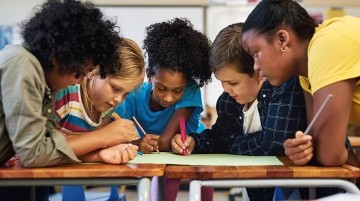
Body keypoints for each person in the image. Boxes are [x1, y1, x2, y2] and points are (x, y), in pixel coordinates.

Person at [171, 22, 307, 201]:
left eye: (233, 83)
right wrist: (193, 142)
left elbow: (272, 143)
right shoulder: (228, 101)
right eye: (222, 82)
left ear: (259, 70)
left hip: (303, 189)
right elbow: (219, 137)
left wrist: (227, 143)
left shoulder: (283, 87)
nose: (226, 90)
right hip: (261, 192)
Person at [0, 0, 121, 200]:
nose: (78, 82)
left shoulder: (45, 78)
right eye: (80, 73)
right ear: (59, 58)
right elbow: (34, 153)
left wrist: (98, 155)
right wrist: (104, 136)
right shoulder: (23, 66)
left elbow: (46, 142)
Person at [241, 0, 360, 168]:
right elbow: (317, 144)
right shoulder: (306, 74)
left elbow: (329, 154)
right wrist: (302, 149)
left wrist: (323, 149)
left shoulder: (328, 43)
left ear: (282, 39)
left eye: (255, 53)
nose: (256, 66)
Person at [114, 18, 212, 201]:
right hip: (154, 157)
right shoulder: (132, 95)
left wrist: (137, 143)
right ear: (149, 76)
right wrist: (136, 143)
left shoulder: (191, 90)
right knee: (160, 181)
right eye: (161, 88)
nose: (169, 98)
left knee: (203, 179)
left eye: (177, 90)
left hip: (191, 151)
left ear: (186, 85)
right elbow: (117, 137)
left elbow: (166, 142)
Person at [56, 38, 144, 200]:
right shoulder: (67, 92)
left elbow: (85, 148)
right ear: (93, 71)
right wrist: (105, 137)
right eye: (115, 88)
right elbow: (47, 147)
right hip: (20, 171)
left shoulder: (106, 107)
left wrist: (108, 149)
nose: (119, 99)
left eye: (126, 94)